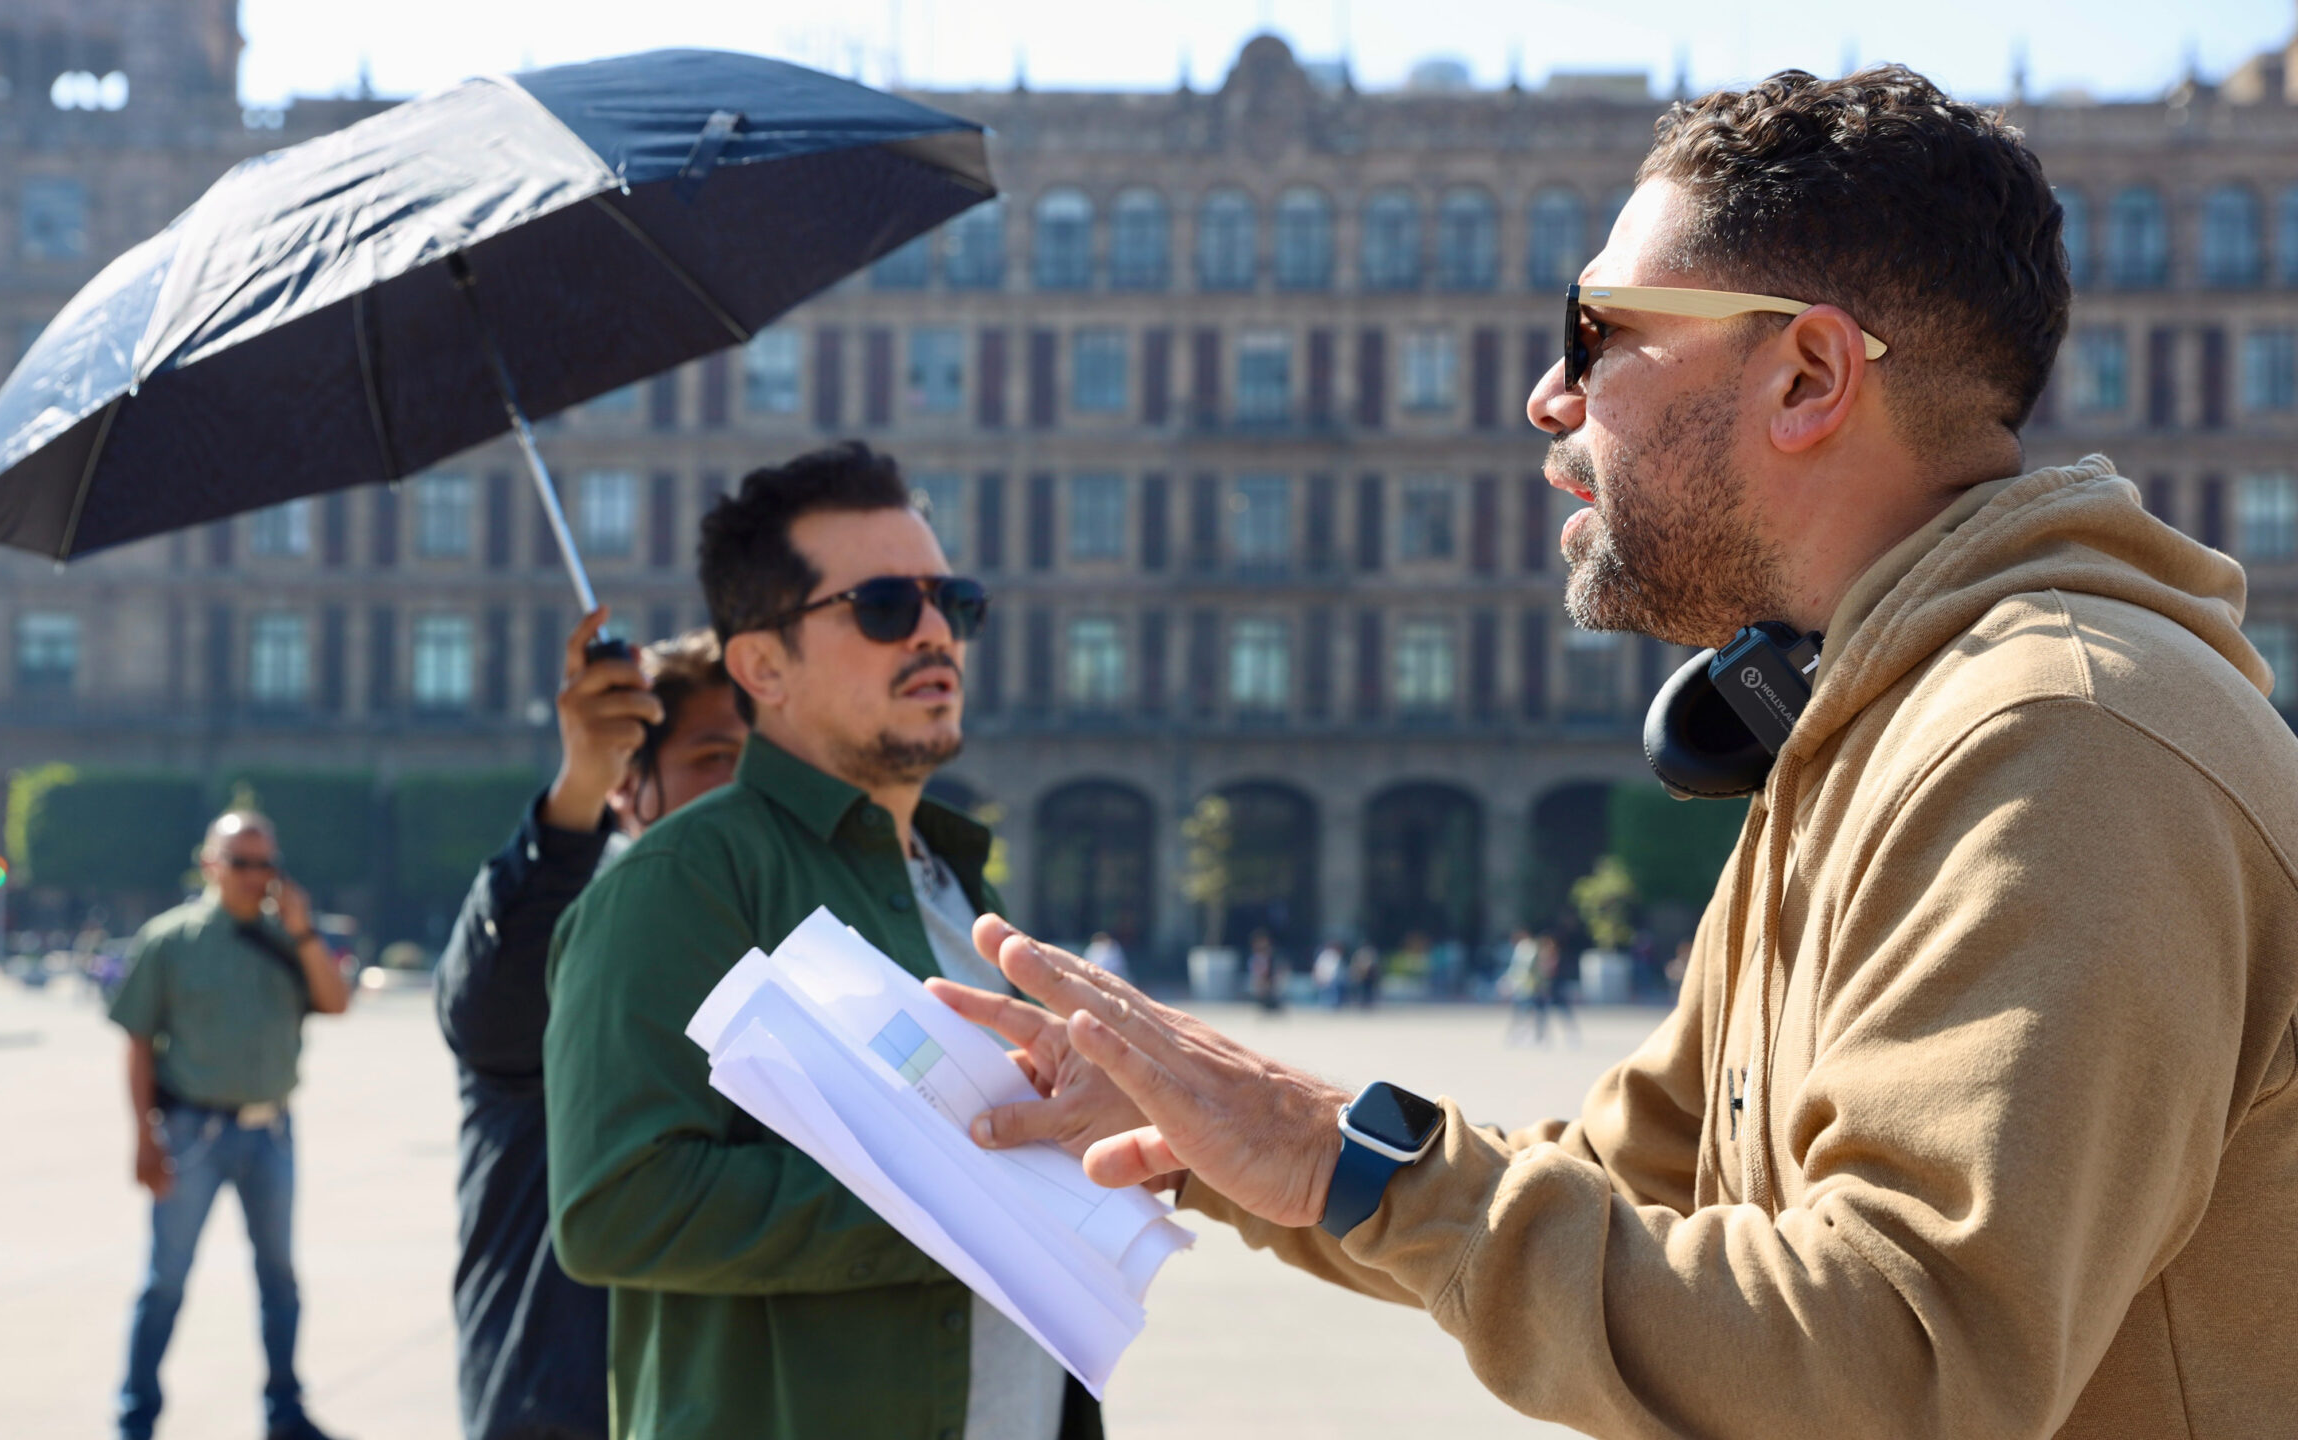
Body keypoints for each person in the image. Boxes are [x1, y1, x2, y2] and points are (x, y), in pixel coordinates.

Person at [931, 67, 2298, 1439]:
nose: (1546, 397)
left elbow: (1900, 1359)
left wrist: (1357, 1173)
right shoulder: (1871, 732)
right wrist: (1239, 1132)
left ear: (1809, 376)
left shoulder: (2056, 745)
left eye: (1595, 335)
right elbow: (1637, 1184)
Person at [542, 443, 1101, 1440]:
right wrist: (969, 1199)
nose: (934, 632)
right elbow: (615, 1206)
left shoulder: (958, 880)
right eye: (886, 607)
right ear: (762, 664)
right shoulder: (678, 886)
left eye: (953, 602)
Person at [433, 619, 744, 1440]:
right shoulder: (579, 917)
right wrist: (576, 793)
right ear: (630, 785)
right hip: (560, 1402)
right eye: (714, 758)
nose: (745, 792)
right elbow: (488, 1017)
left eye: (764, 765)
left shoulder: (803, 942)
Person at [108, 810, 353, 1440]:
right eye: (241, 862)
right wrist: (143, 1137)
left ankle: (285, 1410)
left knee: (279, 1278)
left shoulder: (287, 939)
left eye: (265, 862)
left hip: (271, 1132)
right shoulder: (171, 940)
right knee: (165, 1279)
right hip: (194, 1133)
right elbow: (137, 1041)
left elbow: (336, 1002)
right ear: (210, 865)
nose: (254, 875)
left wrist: (301, 931)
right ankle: (136, 1417)